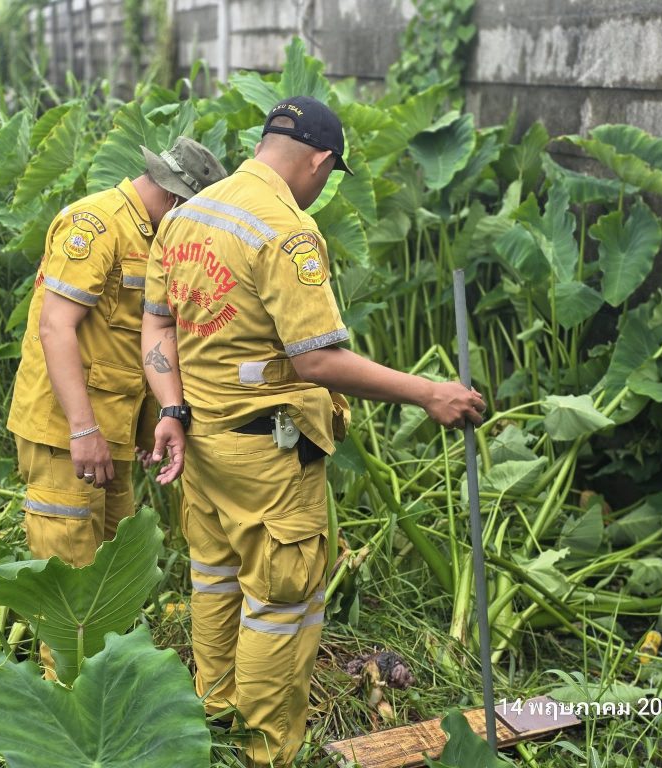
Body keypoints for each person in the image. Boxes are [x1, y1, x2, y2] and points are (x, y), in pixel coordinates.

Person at [140, 96, 487, 766]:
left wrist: (173, 411)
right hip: (266, 457)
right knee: (280, 605)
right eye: (328, 176)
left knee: (214, 579)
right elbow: (317, 361)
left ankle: (214, 717)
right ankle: (265, 752)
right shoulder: (285, 231)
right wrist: (429, 393)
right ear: (321, 161)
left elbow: (157, 325)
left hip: (203, 443)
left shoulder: (187, 214)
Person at [7, 137, 226, 569]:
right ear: (173, 198)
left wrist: (145, 427)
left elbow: (128, 340)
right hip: (66, 433)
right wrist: (82, 430)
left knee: (112, 574)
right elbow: (55, 327)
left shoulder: (150, 236)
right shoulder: (97, 224)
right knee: (71, 578)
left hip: (110, 435)